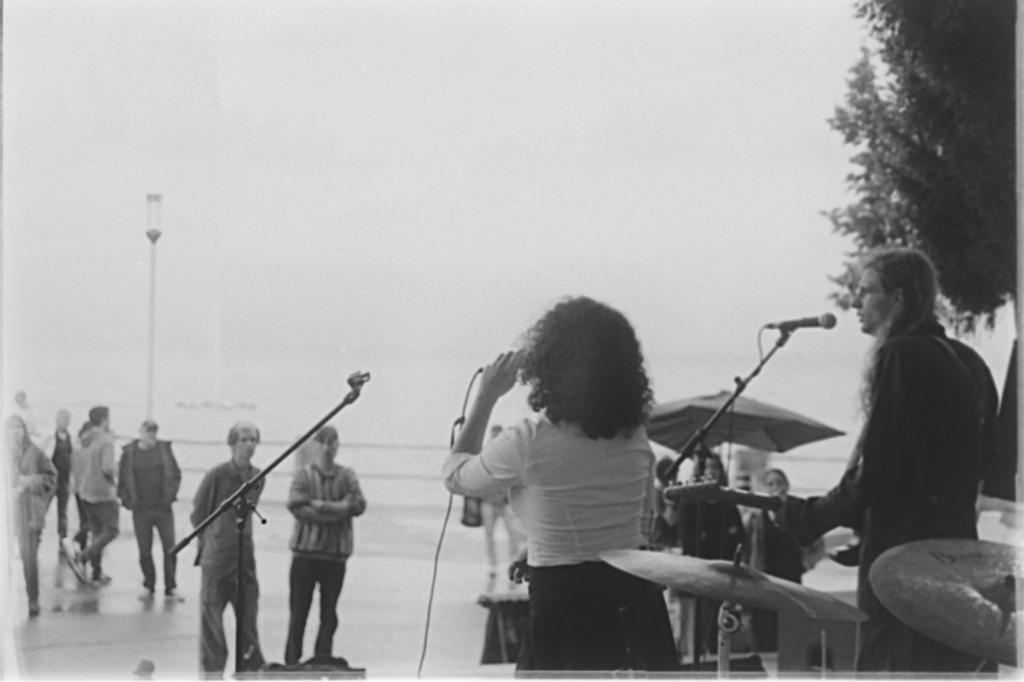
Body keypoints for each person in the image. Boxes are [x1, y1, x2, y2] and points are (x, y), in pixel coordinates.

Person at [788, 247, 999, 673]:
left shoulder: (902, 354)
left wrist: (809, 518)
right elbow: (969, 467)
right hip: (957, 559)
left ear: (898, 299)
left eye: (866, 291)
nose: (855, 303)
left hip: (901, 567)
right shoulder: (969, 361)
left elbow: (880, 469)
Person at [443, 296, 679, 672]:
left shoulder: (530, 440)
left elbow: (456, 475)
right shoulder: (635, 437)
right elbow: (636, 525)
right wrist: (546, 545)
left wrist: (486, 395)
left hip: (566, 612)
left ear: (549, 364)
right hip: (636, 605)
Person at [284, 425, 367, 665]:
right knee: (298, 613)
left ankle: (322, 659)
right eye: (324, 442)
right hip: (305, 555)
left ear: (338, 445)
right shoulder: (303, 474)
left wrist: (323, 506)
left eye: (333, 442)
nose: (328, 448)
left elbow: (358, 504)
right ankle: (292, 663)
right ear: (316, 445)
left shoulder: (347, 475)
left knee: (328, 614)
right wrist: (339, 510)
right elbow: (297, 506)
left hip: (334, 557)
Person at [191, 421, 266, 674]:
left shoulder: (258, 477)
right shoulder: (217, 475)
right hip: (216, 561)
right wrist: (212, 540)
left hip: (244, 561)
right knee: (212, 626)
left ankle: (248, 671)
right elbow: (199, 512)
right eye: (244, 439)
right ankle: (212, 674)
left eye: (253, 440)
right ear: (232, 443)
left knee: (248, 624)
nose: (249, 445)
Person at [745, 468, 823, 651]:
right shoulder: (757, 517)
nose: (775, 488)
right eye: (770, 484)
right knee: (765, 623)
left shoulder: (797, 512)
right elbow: (749, 547)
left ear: (786, 486)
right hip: (765, 575)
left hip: (791, 573)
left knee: (790, 621)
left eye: (779, 483)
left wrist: (807, 562)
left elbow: (817, 542)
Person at [117, 419, 183, 601]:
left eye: (154, 431)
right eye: (148, 431)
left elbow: (176, 473)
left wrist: (171, 494)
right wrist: (127, 501)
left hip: (163, 508)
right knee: (144, 550)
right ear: (141, 432)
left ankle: (171, 587)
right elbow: (122, 478)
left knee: (170, 547)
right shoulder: (129, 452)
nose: (151, 435)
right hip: (141, 509)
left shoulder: (164, 449)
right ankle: (149, 585)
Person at [6, 414, 57, 617]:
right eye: (11, 428)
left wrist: (30, 481)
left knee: (29, 559)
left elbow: (52, 477)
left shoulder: (35, 452)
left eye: (18, 427)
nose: (15, 432)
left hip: (29, 513)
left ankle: (33, 599)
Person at [74, 406, 120, 585]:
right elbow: (107, 467)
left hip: (85, 491)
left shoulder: (84, 439)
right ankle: (83, 556)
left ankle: (96, 572)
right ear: (104, 419)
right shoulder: (105, 441)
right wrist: (118, 474)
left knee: (97, 532)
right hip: (103, 493)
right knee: (112, 530)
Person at [479, 424, 524, 585]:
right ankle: (493, 564)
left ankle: (512, 561)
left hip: (505, 502)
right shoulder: (484, 456)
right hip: (488, 501)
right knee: (489, 534)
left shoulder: (510, 456)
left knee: (513, 533)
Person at [40, 409, 74, 541]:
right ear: (57, 420)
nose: (64, 422)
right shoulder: (49, 437)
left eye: (66, 419)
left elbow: (73, 458)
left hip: (64, 480)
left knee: (63, 511)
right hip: (51, 479)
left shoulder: (71, 438)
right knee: (44, 507)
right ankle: (37, 532)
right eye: (62, 419)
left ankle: (62, 537)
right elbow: (41, 454)